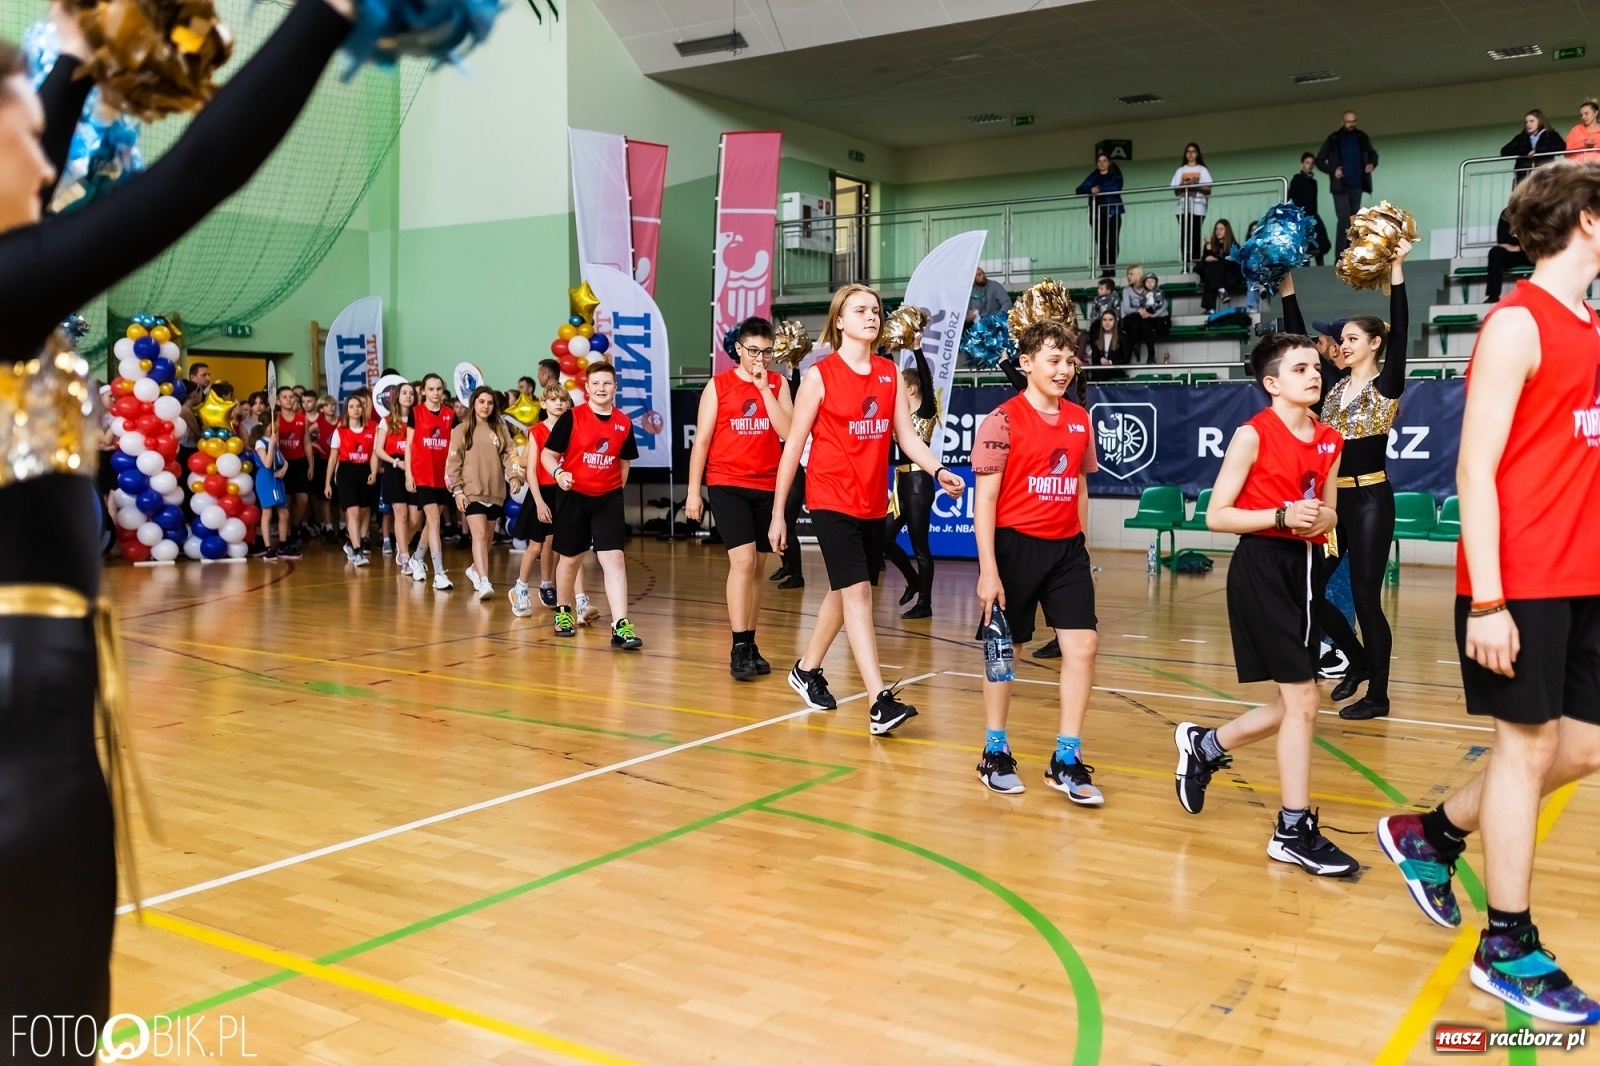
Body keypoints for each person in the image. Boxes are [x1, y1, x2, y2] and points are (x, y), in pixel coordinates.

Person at [0, 0, 359, 1042]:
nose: (37, 138)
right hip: (24, 758)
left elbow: (49, 160)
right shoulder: (8, 288)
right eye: (11, 123)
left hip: (36, 729)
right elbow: (198, 175)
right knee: (49, 1031)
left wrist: (70, 53)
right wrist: (325, 16)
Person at [1375, 163, 1600, 1026]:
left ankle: (1428, 833)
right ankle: (1508, 943)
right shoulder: (1516, 322)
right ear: (1585, 218)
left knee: (1580, 749)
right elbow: (1475, 468)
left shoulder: (1589, 324)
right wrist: (1489, 601)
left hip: (1585, 574)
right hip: (1525, 577)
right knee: (1526, 750)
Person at [1175, 331, 1357, 877]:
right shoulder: (1252, 436)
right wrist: (1279, 516)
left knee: (1294, 705)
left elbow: (1329, 513)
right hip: (1260, 567)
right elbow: (1215, 516)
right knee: (1303, 702)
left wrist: (1320, 518)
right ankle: (1292, 830)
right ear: (1272, 383)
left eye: (1317, 367)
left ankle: (1206, 746)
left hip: (1305, 571)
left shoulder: (1329, 438)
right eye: (1301, 369)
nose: (1315, 374)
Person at [769, 284, 966, 734]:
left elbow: (908, 437)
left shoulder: (888, 373)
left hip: (873, 502)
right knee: (856, 592)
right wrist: (779, 513)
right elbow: (792, 447)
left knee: (844, 590)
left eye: (876, 310)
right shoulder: (820, 378)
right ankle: (880, 702)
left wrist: (939, 471)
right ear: (839, 321)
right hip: (829, 498)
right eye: (860, 310)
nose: (872, 317)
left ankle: (806, 669)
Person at [1278, 237, 1411, 720]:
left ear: (1375, 344)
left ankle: (1378, 696)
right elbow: (1297, 340)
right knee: (1309, 591)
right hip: (1336, 505)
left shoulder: (1387, 383)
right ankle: (1357, 663)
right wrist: (1288, 288)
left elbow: (1402, 329)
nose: (1342, 345)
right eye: (1343, 339)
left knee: (1365, 602)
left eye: (1353, 339)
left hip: (1373, 500)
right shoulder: (1332, 387)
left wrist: (1396, 269)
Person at [971, 320, 1103, 803]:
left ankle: (1066, 758)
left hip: (1066, 549)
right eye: (1054, 360)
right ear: (1026, 364)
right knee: (1007, 654)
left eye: (1070, 360)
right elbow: (984, 501)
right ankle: (995, 751)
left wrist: (1083, 545)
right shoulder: (1001, 421)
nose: (1064, 369)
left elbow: (1081, 486)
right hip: (1013, 547)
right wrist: (989, 570)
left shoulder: (1079, 419)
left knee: (1083, 648)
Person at [685, 317, 794, 675]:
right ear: (738, 350)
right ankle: (737, 647)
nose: (759, 358)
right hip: (727, 483)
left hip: (767, 484)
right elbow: (701, 442)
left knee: (760, 567)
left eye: (766, 351)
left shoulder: (778, 384)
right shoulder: (718, 386)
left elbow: (788, 433)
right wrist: (693, 493)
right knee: (744, 562)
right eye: (753, 351)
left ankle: (749, 640)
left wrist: (764, 391)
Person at [542, 362, 642, 648]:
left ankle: (621, 625)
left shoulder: (623, 422)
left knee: (614, 559)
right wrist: (559, 474)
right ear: (587, 388)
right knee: (571, 558)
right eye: (596, 384)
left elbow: (624, 463)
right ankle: (563, 611)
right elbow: (548, 456)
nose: (601, 389)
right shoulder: (572, 418)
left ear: (615, 387)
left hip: (607, 500)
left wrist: (612, 491)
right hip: (573, 498)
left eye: (607, 383)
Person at [447, 385, 520, 601]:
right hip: (471, 491)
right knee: (478, 534)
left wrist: (515, 476)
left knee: (487, 538)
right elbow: (452, 463)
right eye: (481, 402)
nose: (485, 406)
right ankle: (484, 581)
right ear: (474, 404)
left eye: (489, 403)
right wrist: (458, 490)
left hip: (495, 490)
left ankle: (474, 569)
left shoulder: (499, 428)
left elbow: (510, 453)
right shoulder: (461, 430)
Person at [884, 347, 938, 620]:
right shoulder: (899, 416)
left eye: (901, 386)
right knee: (883, 539)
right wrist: (886, 352)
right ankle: (913, 580)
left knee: (920, 546)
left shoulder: (926, 410)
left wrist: (917, 348)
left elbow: (927, 381)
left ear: (913, 389)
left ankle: (925, 603)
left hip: (919, 481)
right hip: (900, 482)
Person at [508, 386, 570, 616]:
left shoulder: (570, 429)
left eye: (562, 400)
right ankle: (520, 588)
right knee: (535, 546)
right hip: (540, 493)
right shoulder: (537, 431)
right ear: (543, 404)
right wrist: (539, 502)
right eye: (553, 399)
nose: (559, 403)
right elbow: (532, 470)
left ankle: (547, 585)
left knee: (553, 544)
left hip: (561, 493)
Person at [405, 372, 458, 590]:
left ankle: (416, 558)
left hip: (443, 476)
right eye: (431, 389)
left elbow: (455, 447)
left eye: (439, 389)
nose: (436, 393)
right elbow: (409, 446)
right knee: (434, 519)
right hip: (422, 475)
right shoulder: (415, 413)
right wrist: (409, 474)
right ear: (423, 391)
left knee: (431, 523)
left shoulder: (450, 414)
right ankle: (439, 573)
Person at [324, 394, 378, 566]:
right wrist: (327, 483)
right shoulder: (340, 432)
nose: (356, 409)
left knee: (363, 511)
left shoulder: (372, 430)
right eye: (352, 406)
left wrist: (374, 472)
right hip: (346, 472)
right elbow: (333, 459)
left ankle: (351, 542)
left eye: (359, 406)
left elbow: (374, 455)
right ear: (346, 410)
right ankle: (357, 550)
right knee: (353, 511)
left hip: (365, 471)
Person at [1315, 111, 1379, 256]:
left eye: (1353, 121)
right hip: (1340, 187)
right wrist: (1333, 170)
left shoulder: (1362, 137)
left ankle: (1351, 255)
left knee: (1354, 221)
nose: (1351, 124)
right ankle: (1340, 255)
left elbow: (1373, 154)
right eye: (1348, 122)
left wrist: (1371, 164)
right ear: (1342, 122)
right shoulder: (1334, 139)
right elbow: (1319, 160)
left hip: (1357, 185)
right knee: (1344, 218)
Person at [375, 380, 418, 572]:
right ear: (397, 397)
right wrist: (394, 462)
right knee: (400, 515)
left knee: (415, 519)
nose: (408, 396)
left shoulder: (419, 419)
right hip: (394, 468)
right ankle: (405, 556)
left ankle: (403, 546)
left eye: (411, 393)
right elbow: (378, 450)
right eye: (404, 393)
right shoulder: (386, 421)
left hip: (415, 468)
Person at [274, 384, 311, 557]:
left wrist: (311, 464)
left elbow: (306, 442)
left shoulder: (301, 418)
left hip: (299, 462)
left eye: (291, 397)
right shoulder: (275, 419)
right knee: (286, 503)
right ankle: (287, 537)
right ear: (278, 400)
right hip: (282, 464)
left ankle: (295, 527)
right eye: (285, 397)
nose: (289, 400)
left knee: (302, 500)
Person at [1076, 151, 1124, 276]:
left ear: (1109, 163)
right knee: (1101, 242)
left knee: (1112, 242)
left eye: (1104, 161)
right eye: (1099, 161)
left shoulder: (1115, 175)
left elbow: (1116, 188)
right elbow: (1079, 189)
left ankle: (1111, 269)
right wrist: (1090, 189)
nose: (1102, 163)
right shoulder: (1094, 176)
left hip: (1113, 213)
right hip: (1097, 214)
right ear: (1097, 164)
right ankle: (1104, 270)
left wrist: (1098, 189)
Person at [251, 416, 290, 561]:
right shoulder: (260, 443)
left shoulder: (273, 441)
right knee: (267, 512)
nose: (278, 424)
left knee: (283, 512)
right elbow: (267, 463)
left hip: (277, 478)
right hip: (266, 478)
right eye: (276, 422)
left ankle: (283, 545)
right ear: (269, 425)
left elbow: (284, 462)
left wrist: (284, 469)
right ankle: (268, 548)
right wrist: (272, 445)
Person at [1170, 142, 1212, 270]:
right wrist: (1184, 185)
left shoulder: (1202, 170)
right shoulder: (1180, 171)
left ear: (1197, 154)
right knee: (1185, 237)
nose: (1190, 154)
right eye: (1188, 151)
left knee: (1195, 236)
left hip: (1198, 208)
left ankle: (1196, 264)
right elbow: (1176, 191)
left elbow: (1208, 190)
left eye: (1193, 151)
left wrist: (1195, 185)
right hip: (1183, 208)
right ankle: (1185, 264)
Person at [1288, 152, 1332, 265]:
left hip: (1312, 214)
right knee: (1305, 244)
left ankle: (1320, 268)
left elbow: (1313, 200)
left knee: (1320, 241)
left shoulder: (1313, 182)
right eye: (1307, 163)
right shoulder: (1296, 179)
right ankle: (1305, 271)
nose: (1310, 165)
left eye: (1312, 163)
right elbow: (1291, 198)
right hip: (1301, 214)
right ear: (1302, 164)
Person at [1483, 208, 1531, 303]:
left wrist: (1518, 247)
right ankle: (1493, 296)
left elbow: (1541, 240)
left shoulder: (1537, 211)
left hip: (1533, 254)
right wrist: (1524, 245)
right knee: (1496, 252)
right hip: (1515, 254)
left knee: (1549, 253)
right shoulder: (1507, 213)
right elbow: (1503, 241)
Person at [309, 392, 337, 544]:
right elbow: (304, 436)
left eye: (333, 405)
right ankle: (327, 527)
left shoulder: (340, 422)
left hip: (337, 461)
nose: (331, 408)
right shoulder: (318, 422)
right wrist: (314, 445)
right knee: (325, 496)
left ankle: (343, 526)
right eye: (327, 405)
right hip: (322, 461)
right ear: (321, 408)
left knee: (337, 496)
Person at [1501, 109, 1559, 183]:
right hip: (1523, 178)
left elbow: (1560, 147)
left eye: (1531, 121)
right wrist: (1525, 151)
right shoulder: (1521, 138)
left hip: (1545, 176)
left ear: (1539, 121)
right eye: (1526, 122)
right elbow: (1504, 151)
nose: (1528, 124)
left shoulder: (1550, 135)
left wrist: (1537, 150)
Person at [1197, 219, 1243, 312]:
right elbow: (1203, 260)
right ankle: (1221, 290)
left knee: (1213, 269)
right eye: (1216, 229)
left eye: (1221, 229)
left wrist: (1217, 259)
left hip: (1230, 275)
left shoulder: (1234, 245)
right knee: (1209, 267)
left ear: (1227, 230)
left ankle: (1210, 308)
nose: (1218, 231)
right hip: (1216, 275)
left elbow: (1234, 263)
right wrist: (1208, 251)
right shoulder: (1211, 244)